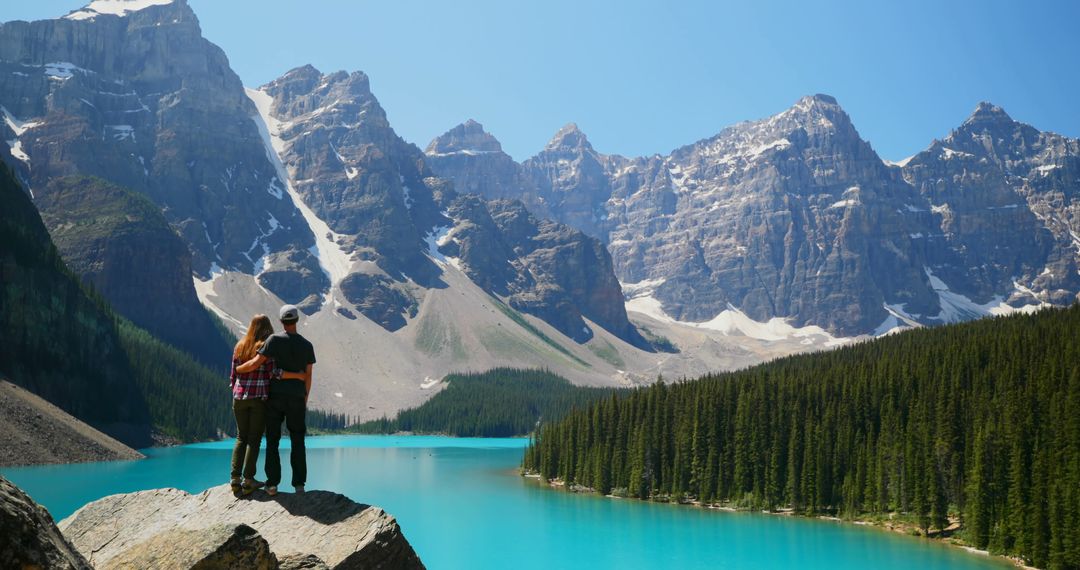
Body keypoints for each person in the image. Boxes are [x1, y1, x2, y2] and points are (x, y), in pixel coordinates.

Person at [236, 304, 315, 496]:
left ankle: (272, 484)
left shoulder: (273, 340)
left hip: (275, 398)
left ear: (281, 321)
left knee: (272, 440)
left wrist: (237, 370)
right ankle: (299, 485)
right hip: (296, 398)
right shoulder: (307, 345)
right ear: (296, 320)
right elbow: (308, 376)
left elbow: (256, 363)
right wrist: (304, 398)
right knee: (298, 440)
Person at [228, 314, 275, 495]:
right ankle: (248, 481)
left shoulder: (239, 346)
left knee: (241, 437)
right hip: (258, 398)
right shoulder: (265, 347)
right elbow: (272, 372)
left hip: (239, 398)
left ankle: (234, 479)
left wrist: (236, 390)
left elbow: (233, 374)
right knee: (254, 439)